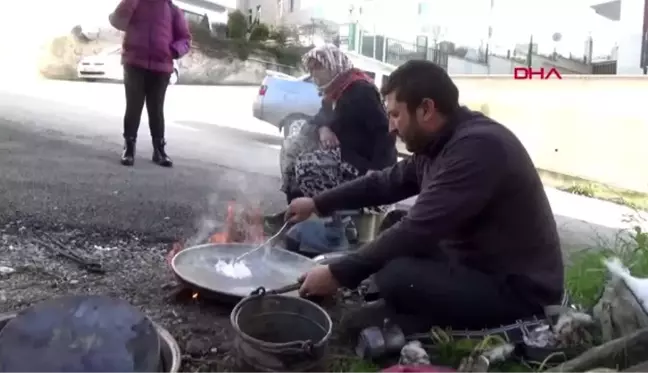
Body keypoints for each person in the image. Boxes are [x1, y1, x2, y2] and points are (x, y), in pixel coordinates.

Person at [287, 60, 565, 333]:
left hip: (519, 291)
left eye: (396, 115)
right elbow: (384, 183)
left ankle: (411, 321)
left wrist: (337, 274)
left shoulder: (479, 148)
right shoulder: (440, 143)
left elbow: (418, 229)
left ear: (426, 109)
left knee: (397, 275)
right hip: (476, 263)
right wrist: (317, 203)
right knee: (392, 232)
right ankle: (407, 310)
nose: (391, 127)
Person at [266, 44, 397, 239]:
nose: (313, 74)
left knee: (307, 166)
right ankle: (294, 211)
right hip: (345, 157)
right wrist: (323, 128)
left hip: (365, 166)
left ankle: (334, 223)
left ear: (333, 65)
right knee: (292, 146)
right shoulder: (334, 92)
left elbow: (385, 132)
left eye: (317, 68)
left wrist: (377, 172)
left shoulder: (361, 91)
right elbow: (318, 118)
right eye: (310, 69)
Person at [109, 0, 191, 167]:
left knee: (156, 109)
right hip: (134, 64)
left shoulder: (173, 10)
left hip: (161, 67)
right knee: (133, 107)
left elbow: (185, 39)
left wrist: (174, 50)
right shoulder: (135, 3)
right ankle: (129, 148)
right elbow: (117, 21)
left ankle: (159, 150)